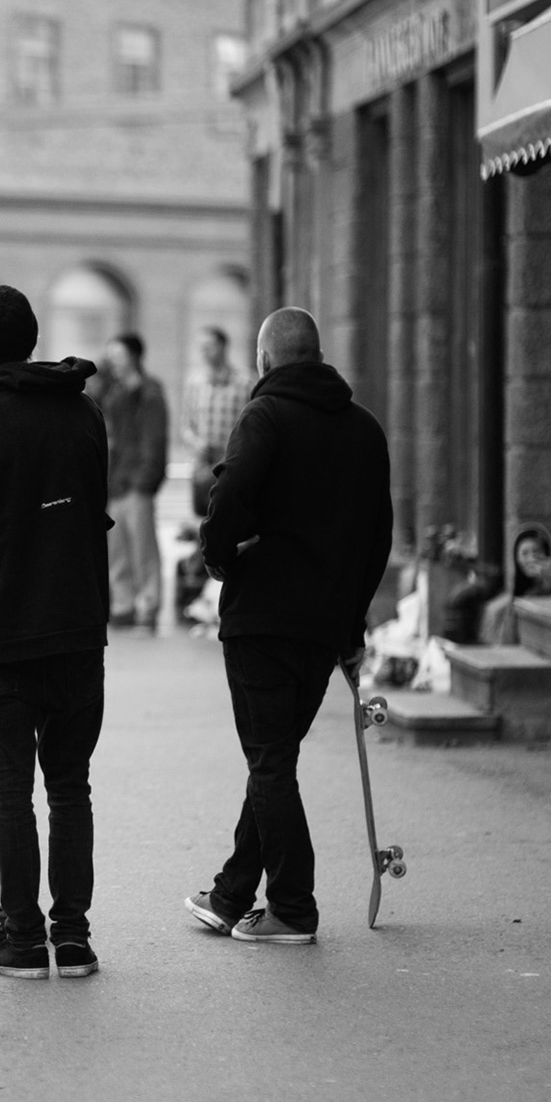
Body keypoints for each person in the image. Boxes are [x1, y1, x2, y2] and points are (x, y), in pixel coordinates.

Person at [187, 307, 391, 945]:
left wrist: (218, 558)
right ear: (319, 355)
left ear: (264, 359)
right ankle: (230, 895)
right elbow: (378, 537)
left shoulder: (266, 415)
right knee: (273, 758)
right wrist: (352, 624)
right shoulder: (365, 428)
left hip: (262, 618)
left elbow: (227, 499)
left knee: (270, 761)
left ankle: (293, 908)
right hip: (324, 626)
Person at [0, 284, 110, 981]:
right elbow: (93, 505)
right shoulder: (85, 412)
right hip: (76, 624)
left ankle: (23, 939)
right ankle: (74, 937)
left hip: (0, 627)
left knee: (10, 790)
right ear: (33, 339)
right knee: (71, 786)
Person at [101, 332, 169, 630]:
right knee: (116, 550)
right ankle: (123, 605)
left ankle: (147, 606)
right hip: (116, 483)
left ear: (134, 357)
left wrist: (145, 480)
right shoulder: (114, 394)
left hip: (138, 484)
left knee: (143, 550)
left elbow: (155, 441)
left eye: (118, 356)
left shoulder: (150, 393)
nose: (113, 362)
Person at [181, 326, 248, 523]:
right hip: (202, 469)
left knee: (232, 520)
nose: (205, 351)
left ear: (223, 347)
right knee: (203, 521)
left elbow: (251, 427)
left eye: (209, 346)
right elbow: (186, 427)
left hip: (232, 467)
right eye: (201, 347)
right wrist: (197, 444)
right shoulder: (194, 384)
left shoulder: (245, 383)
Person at [479, 522, 551, 645]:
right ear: (516, 558)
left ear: (548, 554)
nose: (531, 559)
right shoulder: (509, 601)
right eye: (524, 553)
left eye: (537, 552)